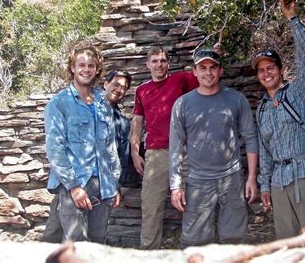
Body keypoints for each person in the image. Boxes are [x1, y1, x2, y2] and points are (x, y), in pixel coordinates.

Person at [169, 49, 259, 248]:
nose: (208, 73)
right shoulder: (183, 104)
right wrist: (175, 186)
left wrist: (251, 177)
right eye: (203, 68)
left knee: (234, 240)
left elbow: (251, 138)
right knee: (194, 242)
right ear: (194, 71)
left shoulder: (236, 100)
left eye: (213, 68)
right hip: (198, 181)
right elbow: (175, 148)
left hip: (232, 179)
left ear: (220, 71)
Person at [41, 70, 133, 243]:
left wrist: (116, 185)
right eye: (116, 84)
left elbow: (119, 154)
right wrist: (72, 186)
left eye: (124, 88)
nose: (119, 90)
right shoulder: (68, 103)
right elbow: (56, 147)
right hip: (73, 184)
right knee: (56, 234)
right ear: (105, 83)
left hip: (103, 185)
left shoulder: (121, 121)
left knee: (96, 239)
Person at [252, 0, 305, 239]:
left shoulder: (298, 92)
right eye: (261, 70)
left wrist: (293, 20)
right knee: (286, 243)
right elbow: (265, 150)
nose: (266, 73)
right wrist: (265, 186)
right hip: (279, 182)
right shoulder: (261, 109)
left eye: (270, 68)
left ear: (280, 70)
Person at [131, 46, 198, 250]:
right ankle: (149, 252)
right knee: (151, 205)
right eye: (155, 61)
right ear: (148, 65)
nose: (159, 65)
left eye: (162, 61)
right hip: (155, 153)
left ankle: (193, 251)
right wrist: (135, 152)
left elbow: (205, 75)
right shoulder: (142, 90)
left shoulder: (180, 80)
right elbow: (137, 121)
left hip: (185, 151)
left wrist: (215, 51)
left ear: (168, 63)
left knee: (192, 202)